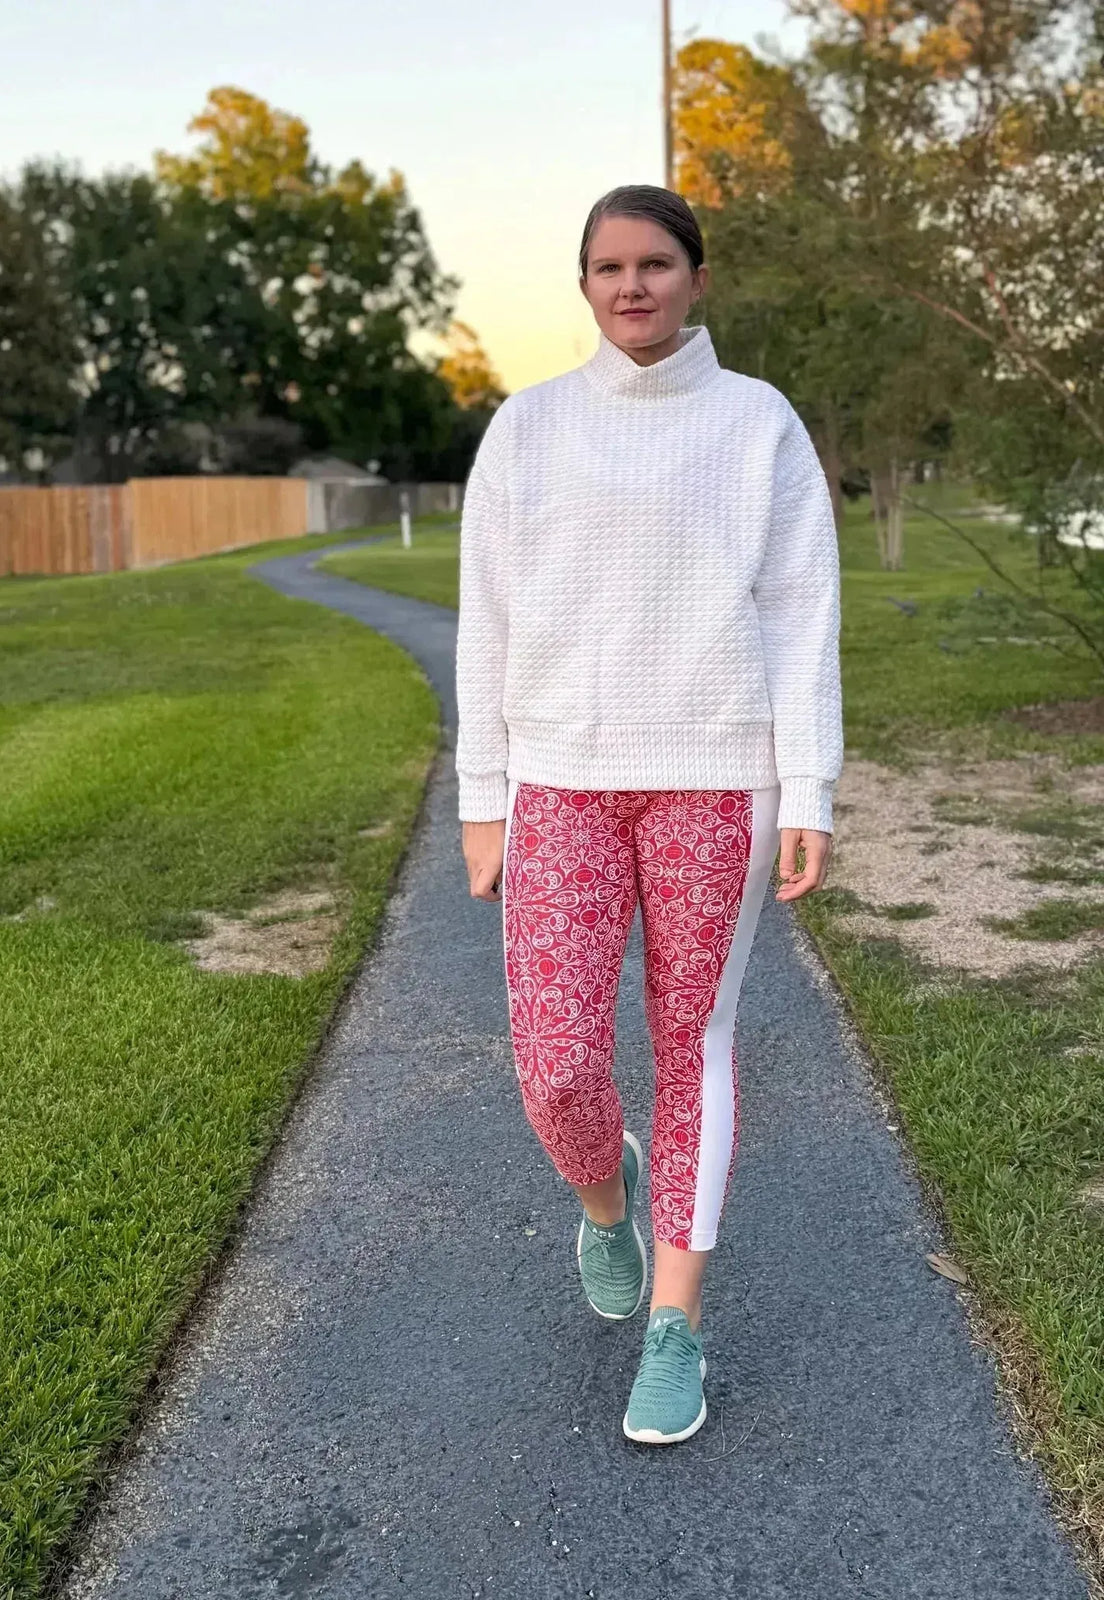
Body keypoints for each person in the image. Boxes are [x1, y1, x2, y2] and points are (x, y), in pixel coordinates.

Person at [454, 184, 843, 1446]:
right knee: (557, 1059)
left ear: (696, 277)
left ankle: (675, 1326)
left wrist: (813, 785)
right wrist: (482, 796)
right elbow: (489, 621)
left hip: (720, 774)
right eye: (610, 266)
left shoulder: (757, 426)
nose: (634, 285)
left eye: (657, 263)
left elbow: (800, 613)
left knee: (696, 1040)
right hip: (559, 775)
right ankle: (603, 1193)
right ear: (582, 284)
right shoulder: (526, 430)